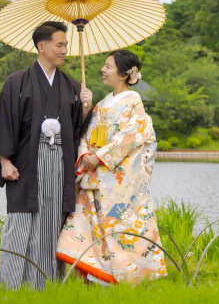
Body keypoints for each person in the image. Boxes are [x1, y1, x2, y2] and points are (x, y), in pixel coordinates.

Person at [0, 21, 94, 290]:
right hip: (25, 165)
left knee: (51, 223)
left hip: (58, 165)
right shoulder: (17, 82)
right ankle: (11, 285)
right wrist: (4, 161)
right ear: (41, 46)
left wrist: (85, 108)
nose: (65, 50)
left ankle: (44, 286)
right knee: (21, 221)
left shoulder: (71, 85)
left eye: (67, 45)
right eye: (60, 44)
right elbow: (4, 121)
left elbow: (77, 130)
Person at [57, 49, 167, 285]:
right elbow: (85, 135)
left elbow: (132, 135)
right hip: (93, 178)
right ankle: (89, 282)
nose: (103, 70)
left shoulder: (133, 101)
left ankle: (124, 280)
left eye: (108, 66)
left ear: (124, 74)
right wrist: (86, 153)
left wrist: (99, 156)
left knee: (118, 234)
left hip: (117, 180)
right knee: (84, 230)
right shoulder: (100, 103)